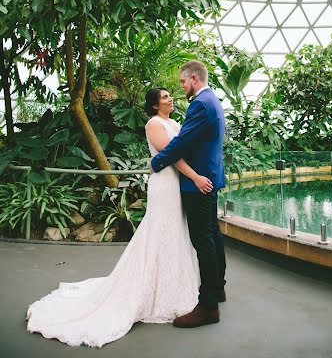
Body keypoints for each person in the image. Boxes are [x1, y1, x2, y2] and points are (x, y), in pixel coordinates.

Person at [26, 87, 212, 348]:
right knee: (160, 230)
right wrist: (195, 176)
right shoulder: (154, 124)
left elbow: (186, 147)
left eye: (170, 96)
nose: (171, 99)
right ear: (155, 105)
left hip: (176, 186)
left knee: (176, 231)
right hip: (165, 185)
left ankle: (173, 287)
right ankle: (151, 289)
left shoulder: (174, 122)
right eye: (166, 97)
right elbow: (172, 156)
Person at [151, 59, 227, 328]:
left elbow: (182, 143)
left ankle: (208, 307)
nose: (182, 87)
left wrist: (156, 163)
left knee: (202, 240)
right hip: (210, 177)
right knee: (212, 234)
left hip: (198, 182)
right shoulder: (213, 101)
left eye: (183, 81)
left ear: (194, 78)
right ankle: (217, 287)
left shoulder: (200, 104)